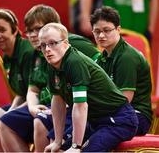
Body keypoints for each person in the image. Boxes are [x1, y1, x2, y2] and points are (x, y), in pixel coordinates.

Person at [0, 4, 101, 152]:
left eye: (38, 29)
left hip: (80, 105)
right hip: (49, 105)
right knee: (5, 122)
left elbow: (100, 66)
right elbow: (33, 90)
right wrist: (32, 106)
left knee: (41, 123)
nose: (33, 35)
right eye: (29, 30)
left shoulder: (74, 43)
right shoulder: (40, 51)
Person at [40, 23, 138, 152]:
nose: (47, 49)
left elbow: (81, 105)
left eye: (53, 43)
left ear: (65, 43)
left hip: (119, 119)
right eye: (43, 45)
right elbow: (58, 101)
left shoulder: (74, 62)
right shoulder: (52, 64)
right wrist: (58, 141)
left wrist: (76, 146)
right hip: (94, 121)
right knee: (60, 148)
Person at [90, 6, 152, 136]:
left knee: (89, 129)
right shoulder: (102, 57)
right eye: (97, 31)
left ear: (118, 30)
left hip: (135, 116)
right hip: (112, 113)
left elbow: (124, 100)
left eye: (106, 30)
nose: (101, 35)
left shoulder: (126, 57)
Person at [0, 8, 34, 152]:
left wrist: (10, 115)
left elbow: (35, 93)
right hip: (26, 101)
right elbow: (21, 92)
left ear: (14, 31)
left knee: (5, 121)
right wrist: (10, 111)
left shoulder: (27, 52)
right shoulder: (7, 56)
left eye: (2, 29)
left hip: (40, 103)